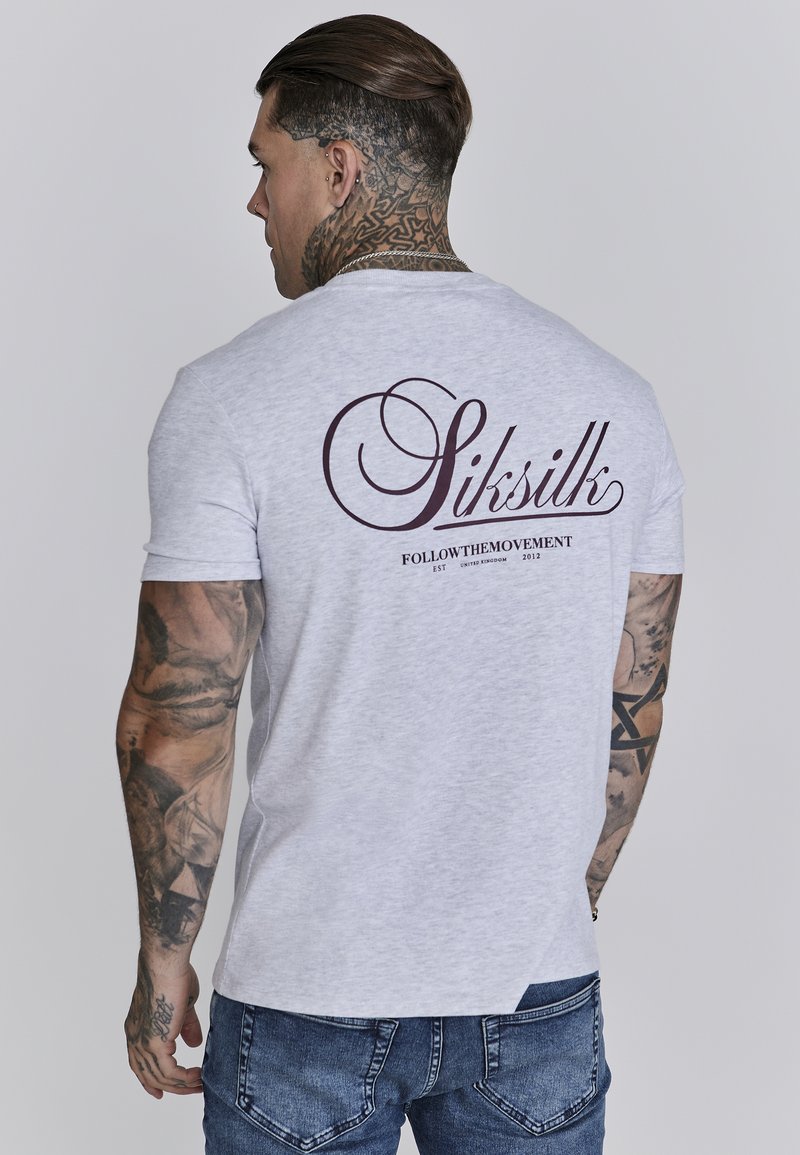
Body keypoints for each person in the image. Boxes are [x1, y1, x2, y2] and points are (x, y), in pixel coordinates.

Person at [115, 14, 685, 1154]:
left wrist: (163, 957)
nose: (254, 201)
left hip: (304, 995)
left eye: (265, 162)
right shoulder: (613, 400)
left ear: (339, 168)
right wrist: (558, 905)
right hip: (535, 993)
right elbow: (635, 698)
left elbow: (177, 719)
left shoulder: (230, 397)